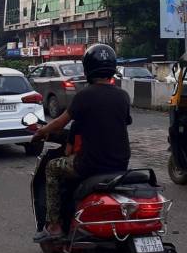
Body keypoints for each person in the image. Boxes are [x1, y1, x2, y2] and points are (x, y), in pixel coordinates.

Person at [32, 44, 131, 242]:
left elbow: (61, 122)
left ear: (87, 69)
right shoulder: (123, 96)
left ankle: (54, 226)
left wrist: (41, 131)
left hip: (89, 164)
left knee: (51, 168)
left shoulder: (85, 95)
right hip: (120, 163)